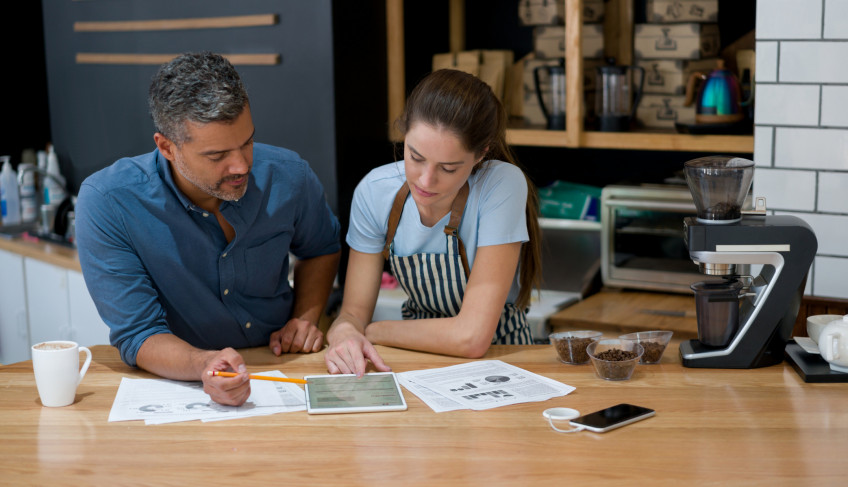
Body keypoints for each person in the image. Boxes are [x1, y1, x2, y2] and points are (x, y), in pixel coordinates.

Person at [75, 52, 341, 406]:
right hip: (179, 383)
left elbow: (322, 247)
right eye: (217, 156)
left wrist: (305, 317)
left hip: (285, 368)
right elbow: (139, 334)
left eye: (247, 142)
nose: (242, 165)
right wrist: (203, 365)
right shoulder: (109, 202)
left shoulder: (290, 175)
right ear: (166, 147)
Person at [324, 69, 542, 376]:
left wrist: (370, 332)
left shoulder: (501, 184)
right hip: (414, 359)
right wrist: (345, 331)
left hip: (501, 357)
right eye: (415, 157)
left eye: (449, 168)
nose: (426, 180)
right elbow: (352, 313)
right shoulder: (375, 192)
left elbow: (472, 338)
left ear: (481, 154)